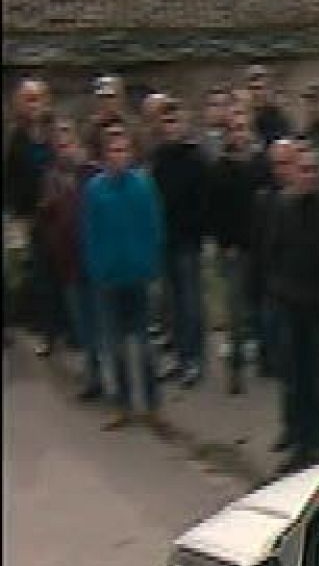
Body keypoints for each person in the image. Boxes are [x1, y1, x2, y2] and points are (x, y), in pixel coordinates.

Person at [261, 140, 319, 472]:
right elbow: (273, 252)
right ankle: (298, 436)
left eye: (313, 171)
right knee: (293, 376)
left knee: (318, 375)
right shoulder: (283, 207)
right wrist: (277, 289)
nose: (308, 176)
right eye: (303, 170)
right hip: (289, 304)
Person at [82, 129, 165, 431]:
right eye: (113, 151)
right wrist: (97, 269)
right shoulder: (94, 190)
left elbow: (154, 228)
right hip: (109, 279)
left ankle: (153, 405)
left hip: (139, 277)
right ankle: (123, 405)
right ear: (104, 157)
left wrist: (152, 266)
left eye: (123, 151)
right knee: (115, 346)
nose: (119, 157)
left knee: (144, 345)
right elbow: (90, 233)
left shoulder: (142, 186)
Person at [37, 121, 102, 396]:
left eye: (69, 143)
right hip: (68, 262)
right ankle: (93, 376)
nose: (65, 150)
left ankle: (111, 375)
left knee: (102, 322)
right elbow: (47, 220)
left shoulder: (93, 175)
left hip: (96, 259)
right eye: (60, 145)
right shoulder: (50, 179)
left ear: (78, 145)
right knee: (82, 324)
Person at [207, 112, 270, 396]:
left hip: (262, 248)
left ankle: (268, 361)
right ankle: (236, 370)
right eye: (233, 128)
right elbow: (215, 211)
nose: (238, 133)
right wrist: (224, 243)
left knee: (262, 307)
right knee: (235, 312)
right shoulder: (220, 169)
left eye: (243, 128)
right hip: (234, 250)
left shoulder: (261, 165)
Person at [150, 99, 210, 387]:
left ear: (184, 124)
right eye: (166, 122)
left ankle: (195, 360)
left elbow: (204, 203)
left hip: (187, 242)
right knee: (171, 303)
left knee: (190, 303)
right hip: (164, 240)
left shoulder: (196, 159)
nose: (170, 127)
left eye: (175, 121)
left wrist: (194, 230)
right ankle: (179, 357)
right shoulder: (159, 158)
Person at [5, 78, 56, 353]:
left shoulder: (53, 132)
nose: (33, 104)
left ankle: (64, 328)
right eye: (28, 99)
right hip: (32, 217)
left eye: (37, 98)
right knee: (39, 275)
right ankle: (44, 330)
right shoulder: (17, 138)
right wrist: (18, 217)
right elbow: (12, 180)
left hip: (59, 215)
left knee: (62, 273)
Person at [249, 137, 298, 389]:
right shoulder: (264, 199)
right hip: (271, 278)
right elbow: (258, 243)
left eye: (286, 163)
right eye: (276, 164)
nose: (281, 170)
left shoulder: (307, 200)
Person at [244, 64, 291, 150]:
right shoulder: (240, 114)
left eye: (259, 88)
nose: (256, 93)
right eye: (252, 88)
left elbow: (284, 146)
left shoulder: (278, 117)